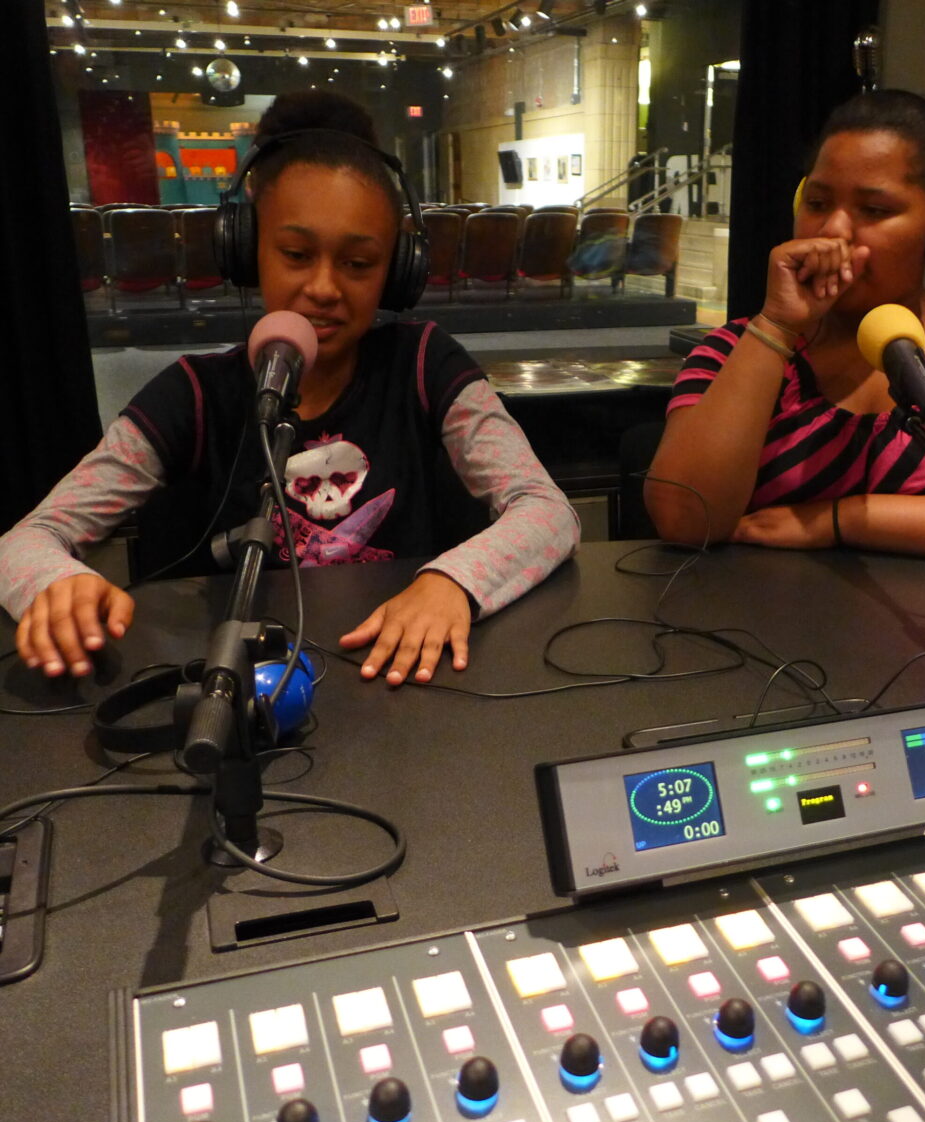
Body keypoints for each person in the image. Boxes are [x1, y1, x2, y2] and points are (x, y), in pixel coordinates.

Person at [0, 91, 579, 685]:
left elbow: (546, 510)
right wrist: (56, 585)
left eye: (358, 264)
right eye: (297, 254)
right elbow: (28, 540)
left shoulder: (427, 364)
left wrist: (452, 582)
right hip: (243, 688)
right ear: (246, 249)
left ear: (397, 270)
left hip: (397, 677)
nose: (324, 287)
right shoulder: (193, 393)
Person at [646, 89, 925, 558]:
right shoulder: (731, 349)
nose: (833, 230)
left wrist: (839, 521)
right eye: (817, 203)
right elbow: (683, 518)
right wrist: (776, 326)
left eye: (874, 210)